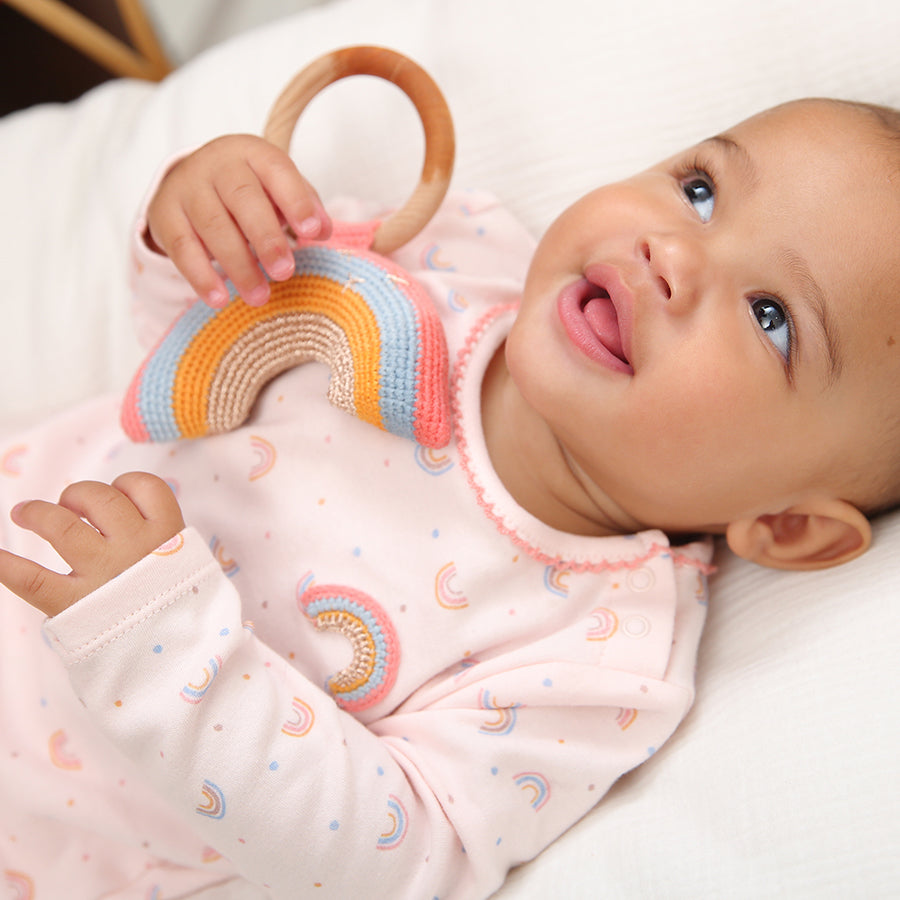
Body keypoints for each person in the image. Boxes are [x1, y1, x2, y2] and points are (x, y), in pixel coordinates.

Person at [1, 97, 897, 899]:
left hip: (46, 829)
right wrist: (202, 225)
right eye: (700, 189)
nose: (674, 254)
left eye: (771, 315)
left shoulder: (600, 659)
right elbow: (187, 356)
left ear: (786, 526)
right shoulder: (451, 252)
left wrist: (160, 650)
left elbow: (390, 861)